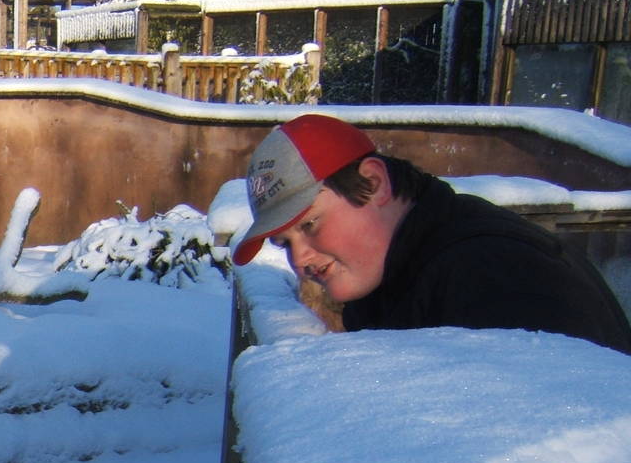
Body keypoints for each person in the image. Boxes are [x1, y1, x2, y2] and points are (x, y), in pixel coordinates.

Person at [231, 113, 631, 355]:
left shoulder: (494, 277)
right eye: (284, 243)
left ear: (374, 183)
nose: (300, 261)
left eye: (309, 224)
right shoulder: (416, 267)